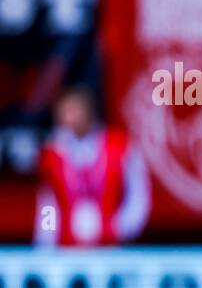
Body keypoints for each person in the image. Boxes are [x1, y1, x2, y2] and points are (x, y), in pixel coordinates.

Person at [34, 86, 150, 247]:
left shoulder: (120, 147)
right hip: (66, 251)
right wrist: (47, 244)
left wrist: (120, 228)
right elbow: (48, 205)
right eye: (62, 112)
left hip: (111, 248)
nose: (66, 118)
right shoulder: (53, 154)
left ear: (88, 112)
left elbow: (138, 196)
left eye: (72, 111)